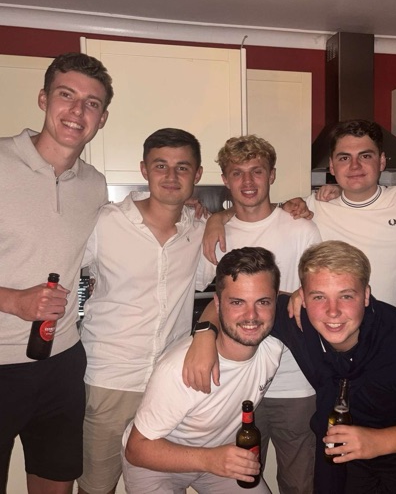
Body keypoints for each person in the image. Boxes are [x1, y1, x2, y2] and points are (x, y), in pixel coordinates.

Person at [187, 240, 396, 494]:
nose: (332, 311)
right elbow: (233, 301)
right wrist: (203, 335)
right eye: (319, 296)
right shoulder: (298, 320)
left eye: (346, 296)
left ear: (366, 296)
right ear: (303, 297)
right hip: (343, 464)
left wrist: (377, 442)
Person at [204, 120, 396, 325]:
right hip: (336, 338)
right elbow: (258, 207)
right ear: (332, 167)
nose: (355, 166)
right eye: (344, 158)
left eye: (365, 156)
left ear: (381, 162)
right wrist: (219, 217)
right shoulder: (315, 206)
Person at [77, 128, 214, 494]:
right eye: (160, 165)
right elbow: (62, 266)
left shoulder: (201, 231)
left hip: (168, 383)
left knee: (157, 484)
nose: (171, 176)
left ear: (197, 174)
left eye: (183, 167)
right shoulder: (106, 222)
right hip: (110, 379)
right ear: (144, 169)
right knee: (97, 485)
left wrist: (217, 217)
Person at [0, 53, 113, 494]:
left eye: (92, 103)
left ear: (102, 119)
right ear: (44, 99)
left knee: (56, 483)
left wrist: (199, 211)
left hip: (62, 361)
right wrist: (13, 300)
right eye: (67, 95)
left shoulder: (95, 184)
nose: (77, 110)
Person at [196, 134, 321, 493]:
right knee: (241, 481)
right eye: (237, 173)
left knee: (300, 483)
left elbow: (317, 294)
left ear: (272, 175)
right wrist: (214, 218)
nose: (247, 182)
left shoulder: (300, 227)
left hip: (295, 380)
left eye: (257, 171)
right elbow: (208, 295)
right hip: (237, 381)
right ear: (225, 179)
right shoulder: (216, 234)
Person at [122, 247, 284, 493]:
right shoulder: (178, 369)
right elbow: (136, 449)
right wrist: (209, 459)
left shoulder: (273, 348)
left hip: (220, 455)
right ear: (217, 304)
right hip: (157, 459)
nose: (251, 316)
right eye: (237, 302)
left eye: (262, 302)